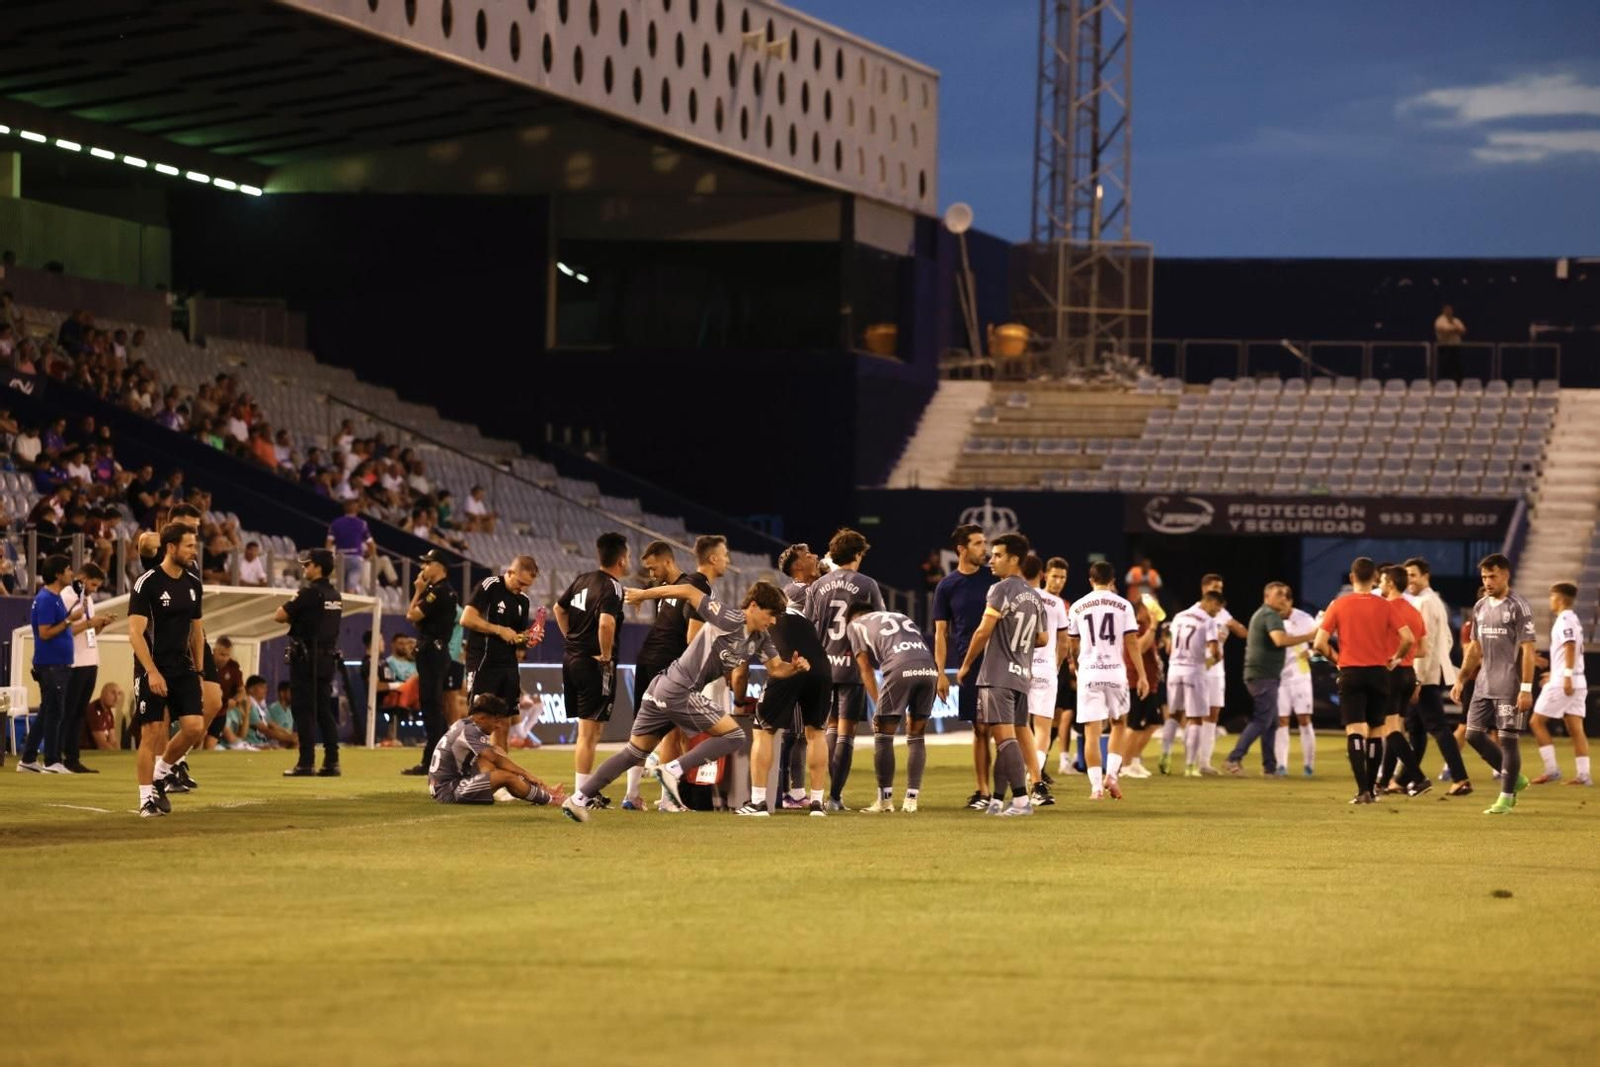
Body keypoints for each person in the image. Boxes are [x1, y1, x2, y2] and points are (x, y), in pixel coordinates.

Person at [573, 580, 809, 820]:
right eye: (771, 614)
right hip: (680, 689)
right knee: (734, 736)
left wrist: (794, 668)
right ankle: (672, 770)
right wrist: (643, 595)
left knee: (633, 753)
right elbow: (687, 590)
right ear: (754, 606)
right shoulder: (729, 617)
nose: (773, 621)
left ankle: (577, 799)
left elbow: (776, 668)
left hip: (664, 686)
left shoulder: (760, 638)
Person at [957, 533, 1048, 816]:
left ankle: (1020, 801)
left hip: (997, 675)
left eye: (998, 555)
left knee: (1004, 740)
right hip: (1021, 675)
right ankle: (997, 800)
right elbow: (1043, 638)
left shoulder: (1000, 589)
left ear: (1014, 559)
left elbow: (983, 630)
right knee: (1006, 739)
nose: (991, 560)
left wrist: (966, 664)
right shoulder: (1035, 596)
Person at [1314, 557, 1415, 805]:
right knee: (1376, 731)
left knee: (1355, 731)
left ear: (1352, 578)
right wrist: (1395, 659)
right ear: (1374, 579)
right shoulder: (1385, 605)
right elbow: (1408, 638)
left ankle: (1362, 791)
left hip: (1351, 673)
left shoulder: (1338, 605)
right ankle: (1371, 789)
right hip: (1379, 674)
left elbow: (1319, 643)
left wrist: (1337, 660)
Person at [632, 539, 717, 810]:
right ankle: (668, 799)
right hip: (667, 664)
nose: (651, 574)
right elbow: (692, 636)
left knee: (648, 732)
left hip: (648, 660)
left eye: (653, 568)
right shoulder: (694, 585)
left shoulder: (671, 588)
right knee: (671, 733)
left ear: (668, 561)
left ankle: (633, 795)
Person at [804, 528, 885, 810]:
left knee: (829, 727)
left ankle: (822, 791)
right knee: (846, 732)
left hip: (824, 665)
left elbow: (808, 627)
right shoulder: (867, 584)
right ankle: (835, 797)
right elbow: (879, 624)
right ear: (858, 554)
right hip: (852, 665)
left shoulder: (818, 586)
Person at [1451, 554, 1538, 814]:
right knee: (1473, 734)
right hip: (1484, 683)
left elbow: (1528, 650)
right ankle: (1514, 776)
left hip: (1510, 685)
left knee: (1507, 740)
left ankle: (1506, 797)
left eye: (1493, 576)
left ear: (1505, 575)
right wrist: (1461, 678)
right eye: (1484, 577)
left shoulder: (1519, 606)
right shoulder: (1480, 606)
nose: (1488, 582)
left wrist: (1525, 689)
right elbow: (1475, 648)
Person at [128, 524, 206, 816]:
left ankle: (160, 774)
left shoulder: (194, 584)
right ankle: (145, 800)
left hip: (181, 667)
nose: (194, 551)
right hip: (151, 667)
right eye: (189, 546)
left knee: (194, 727)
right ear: (171, 547)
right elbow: (135, 633)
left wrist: (199, 673)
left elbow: (197, 633)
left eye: (194, 545)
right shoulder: (146, 583)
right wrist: (152, 672)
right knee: (151, 732)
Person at [750, 543, 831, 816]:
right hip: (819, 663)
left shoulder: (777, 612)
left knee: (765, 729)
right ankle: (815, 801)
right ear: (797, 566)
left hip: (792, 661)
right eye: (808, 555)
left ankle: (760, 801)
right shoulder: (798, 590)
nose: (815, 557)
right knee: (814, 732)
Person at [842, 604, 939, 814]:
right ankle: (911, 800)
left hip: (900, 667)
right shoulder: (900, 615)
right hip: (929, 669)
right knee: (917, 735)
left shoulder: (855, 625)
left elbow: (865, 669)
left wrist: (878, 704)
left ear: (853, 617)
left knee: (883, 734)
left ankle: (885, 801)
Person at [555, 533, 628, 807]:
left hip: (572, 659)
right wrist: (606, 656)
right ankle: (580, 795)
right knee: (588, 733)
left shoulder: (582, 579)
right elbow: (606, 624)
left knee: (592, 730)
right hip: (594, 664)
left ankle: (586, 790)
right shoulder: (613, 587)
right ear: (622, 560)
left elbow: (558, 609)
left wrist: (571, 639)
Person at [1065, 560, 1148, 800]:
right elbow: (1131, 642)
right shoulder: (1124, 605)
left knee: (1091, 730)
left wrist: (1077, 668)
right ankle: (1111, 775)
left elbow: (1073, 645)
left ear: (1091, 580)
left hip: (1089, 671)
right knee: (1119, 724)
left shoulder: (1078, 606)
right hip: (1115, 673)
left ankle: (1096, 788)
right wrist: (1142, 675)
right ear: (1112, 581)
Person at [932, 523, 996, 810]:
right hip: (969, 667)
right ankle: (984, 792)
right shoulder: (947, 586)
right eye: (978, 543)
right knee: (980, 729)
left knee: (1003, 730)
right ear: (961, 549)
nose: (985, 548)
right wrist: (940, 674)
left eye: (984, 542)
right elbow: (940, 633)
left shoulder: (994, 579)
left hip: (999, 662)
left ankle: (1013, 789)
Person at [1225, 583, 1314, 776]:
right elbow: (1280, 640)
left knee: (1272, 722)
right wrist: (1309, 636)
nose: (1283, 598)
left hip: (1262, 675)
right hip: (1263, 675)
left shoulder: (1263, 614)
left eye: (1285, 594)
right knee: (1262, 720)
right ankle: (1234, 757)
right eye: (1278, 594)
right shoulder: (1270, 615)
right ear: (1267, 597)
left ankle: (1269, 766)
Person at [427, 693, 567, 810]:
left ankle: (543, 792)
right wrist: (526, 774)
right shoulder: (469, 731)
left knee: (497, 751)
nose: (499, 726)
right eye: (496, 720)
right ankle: (550, 800)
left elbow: (495, 754)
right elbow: (495, 759)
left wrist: (529, 778)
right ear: (482, 718)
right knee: (506, 776)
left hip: (449, 784)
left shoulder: (465, 725)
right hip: (448, 791)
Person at [1402, 557, 1470, 795]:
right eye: (1407, 576)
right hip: (1431, 672)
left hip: (1425, 676)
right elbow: (1447, 640)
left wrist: (1418, 678)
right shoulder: (1435, 601)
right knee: (1416, 728)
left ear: (1425, 576)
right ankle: (1401, 781)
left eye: (1413, 575)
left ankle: (1460, 778)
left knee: (1438, 728)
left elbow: (1425, 643)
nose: (1409, 580)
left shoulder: (1424, 603)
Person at [275, 549, 344, 777]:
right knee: (324, 710)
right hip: (327, 659)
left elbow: (280, 615)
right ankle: (332, 761)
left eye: (307, 565)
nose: (304, 568)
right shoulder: (335, 595)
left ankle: (306, 762)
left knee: (303, 710)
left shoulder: (309, 593)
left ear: (318, 567)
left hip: (306, 660)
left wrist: (298, 617)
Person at [461, 554, 540, 753]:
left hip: (508, 665)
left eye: (527, 585)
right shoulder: (490, 586)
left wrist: (528, 638)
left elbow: (517, 636)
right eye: (520, 583)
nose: (522, 588)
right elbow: (467, 618)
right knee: (478, 719)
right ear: (510, 572)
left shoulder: (523, 601)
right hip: (483, 661)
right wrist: (498, 630)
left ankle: (500, 769)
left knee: (503, 723)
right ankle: (467, 766)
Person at [17, 555, 82, 774]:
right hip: (52, 665)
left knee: (47, 711)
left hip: (56, 664)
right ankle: (52, 760)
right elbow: (45, 633)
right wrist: (70, 619)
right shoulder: (46, 599)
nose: (71, 573)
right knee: (55, 713)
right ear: (57, 574)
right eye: (68, 569)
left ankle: (28, 758)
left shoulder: (54, 598)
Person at [403, 548, 461, 777]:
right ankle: (439, 759)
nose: (423, 567)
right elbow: (416, 620)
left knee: (432, 706)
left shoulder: (439, 592)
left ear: (439, 567)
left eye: (428, 563)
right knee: (432, 706)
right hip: (433, 652)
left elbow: (412, 615)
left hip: (433, 654)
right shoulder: (437, 591)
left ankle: (433, 761)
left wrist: (418, 590)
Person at [1374, 566, 1430, 795]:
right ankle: (1384, 782)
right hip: (1408, 674)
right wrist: (1404, 655)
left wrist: (1392, 656)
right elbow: (1423, 650)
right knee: (1395, 729)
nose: (1379, 585)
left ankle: (1419, 778)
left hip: (1391, 673)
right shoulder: (1414, 611)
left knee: (1390, 730)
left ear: (1390, 584)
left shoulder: (1385, 609)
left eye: (1381, 581)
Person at [1530, 582, 1590, 786]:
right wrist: (1559, 673)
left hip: (1565, 682)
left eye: (1552, 597)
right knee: (1575, 728)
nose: (1550, 601)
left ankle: (1551, 770)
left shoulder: (1564, 620)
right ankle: (1583, 775)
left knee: (1536, 722)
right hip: (1577, 680)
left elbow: (1570, 647)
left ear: (1561, 599)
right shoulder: (1573, 619)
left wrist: (1565, 676)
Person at [59, 562, 113, 773]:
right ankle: (58, 757)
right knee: (69, 712)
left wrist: (100, 625)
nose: (95, 589)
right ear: (82, 578)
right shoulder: (66, 597)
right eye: (93, 584)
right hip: (74, 661)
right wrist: (91, 623)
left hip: (90, 660)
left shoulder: (87, 599)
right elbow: (64, 630)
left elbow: (88, 633)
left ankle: (73, 758)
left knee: (79, 712)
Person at [1024, 553, 1069, 802]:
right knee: (1043, 728)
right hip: (1045, 669)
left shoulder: (1019, 596)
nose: (1059, 581)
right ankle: (1035, 777)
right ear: (1043, 575)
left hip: (1019, 668)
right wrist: (1057, 664)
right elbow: (1063, 642)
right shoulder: (1056, 603)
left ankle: (1019, 779)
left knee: (1019, 727)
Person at [1166, 592, 1223, 777]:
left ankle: (1165, 755)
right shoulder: (1208, 620)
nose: (1217, 612)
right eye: (1218, 608)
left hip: (1174, 669)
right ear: (1211, 602)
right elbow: (1214, 650)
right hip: (1194, 671)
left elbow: (1168, 646)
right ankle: (1190, 766)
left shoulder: (1179, 616)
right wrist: (1215, 658)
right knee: (1196, 718)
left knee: (1174, 715)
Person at [1196, 574, 1248, 773]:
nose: (1218, 590)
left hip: (1216, 669)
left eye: (1220, 587)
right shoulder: (1194, 612)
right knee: (1195, 715)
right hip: (1198, 669)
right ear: (1204, 588)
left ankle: (1204, 762)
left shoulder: (1222, 613)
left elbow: (1242, 633)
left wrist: (1235, 625)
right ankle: (1191, 761)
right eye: (1215, 587)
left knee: (1213, 713)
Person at [1274, 590, 1320, 778]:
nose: (1280, 608)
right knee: (1281, 721)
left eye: (1283, 604)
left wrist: (1311, 652)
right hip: (1280, 677)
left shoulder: (1305, 619)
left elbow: (1319, 639)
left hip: (1300, 676)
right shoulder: (1272, 619)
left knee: (1304, 719)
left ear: (1290, 602)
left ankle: (1308, 765)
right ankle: (1281, 765)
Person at [1119, 594, 1164, 779]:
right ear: (1142, 609)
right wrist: (1153, 627)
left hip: (1150, 683)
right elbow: (1139, 647)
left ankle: (1134, 760)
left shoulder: (1144, 627)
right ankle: (1125, 765)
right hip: (1136, 681)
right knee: (1135, 724)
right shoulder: (1136, 625)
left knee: (1153, 723)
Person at [326, 498, 374, 593]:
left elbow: (328, 543)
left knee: (341, 587)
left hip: (340, 559)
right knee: (351, 586)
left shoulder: (335, 523)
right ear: (357, 509)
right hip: (355, 558)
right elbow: (371, 544)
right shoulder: (362, 523)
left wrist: (328, 558)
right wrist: (372, 555)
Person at [82, 683, 121, 751]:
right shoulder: (93, 710)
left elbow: (113, 741)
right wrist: (116, 756)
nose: (116, 698)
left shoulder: (109, 713)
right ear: (103, 693)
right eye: (113, 693)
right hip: (87, 752)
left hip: (100, 753)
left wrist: (119, 753)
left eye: (119, 694)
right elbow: (102, 744)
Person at [1434, 303, 1466, 380]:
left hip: (1456, 346)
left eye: (1450, 310)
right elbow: (1445, 330)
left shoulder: (1456, 320)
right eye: (1447, 310)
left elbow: (1463, 330)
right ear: (1444, 311)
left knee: (1457, 367)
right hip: (1445, 347)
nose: (1449, 312)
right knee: (1445, 367)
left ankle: (1458, 383)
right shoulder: (1440, 320)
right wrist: (1456, 329)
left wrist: (1454, 329)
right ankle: (1443, 383)